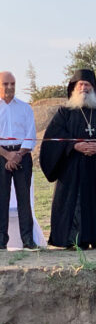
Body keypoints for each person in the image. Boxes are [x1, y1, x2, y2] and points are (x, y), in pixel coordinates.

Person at [39, 69, 96, 249]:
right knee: (74, 204)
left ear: (94, 88)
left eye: (87, 84)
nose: (84, 88)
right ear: (73, 88)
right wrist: (74, 145)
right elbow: (54, 137)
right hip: (72, 169)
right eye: (80, 84)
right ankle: (73, 241)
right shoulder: (64, 112)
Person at [0, 72, 37, 249]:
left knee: (24, 199)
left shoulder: (25, 108)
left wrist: (18, 155)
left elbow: (31, 135)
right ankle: (1, 240)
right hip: (1, 156)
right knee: (1, 198)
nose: (10, 87)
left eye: (12, 84)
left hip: (22, 155)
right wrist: (7, 155)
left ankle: (28, 239)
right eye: (5, 84)